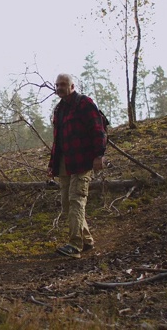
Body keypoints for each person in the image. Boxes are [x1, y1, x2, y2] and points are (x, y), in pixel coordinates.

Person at [48, 73, 107, 259]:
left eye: (63, 84)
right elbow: (57, 141)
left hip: (83, 161)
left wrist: (99, 155)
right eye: (57, 85)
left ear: (72, 86)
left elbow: (98, 131)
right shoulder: (59, 110)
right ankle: (87, 240)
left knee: (76, 201)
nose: (59, 88)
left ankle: (75, 245)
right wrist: (52, 166)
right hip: (65, 162)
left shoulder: (85, 104)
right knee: (66, 205)